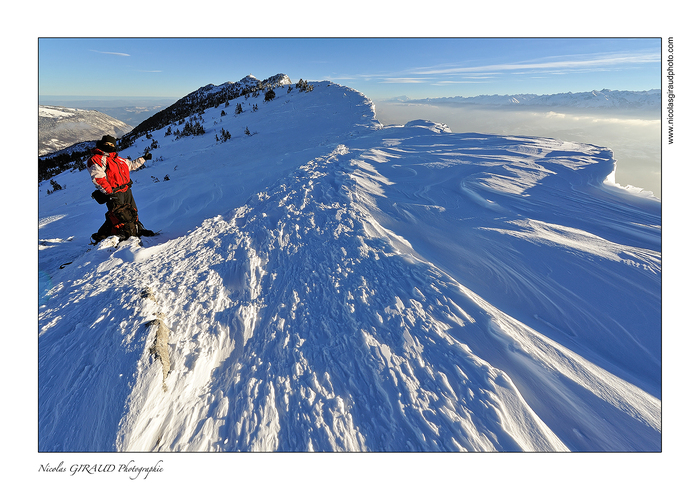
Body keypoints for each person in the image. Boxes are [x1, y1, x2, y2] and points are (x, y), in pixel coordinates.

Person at [88, 135, 154, 243]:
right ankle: (118, 235)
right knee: (119, 215)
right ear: (101, 144)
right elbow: (98, 177)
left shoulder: (118, 159)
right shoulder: (97, 159)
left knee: (133, 212)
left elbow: (131, 165)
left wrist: (143, 159)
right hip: (114, 192)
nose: (109, 146)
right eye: (107, 144)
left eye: (112, 144)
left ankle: (137, 230)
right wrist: (109, 192)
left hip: (126, 190)